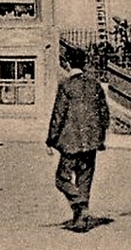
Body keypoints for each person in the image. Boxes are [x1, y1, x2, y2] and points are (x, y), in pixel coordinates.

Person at [46, 46, 110, 232]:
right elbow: (104, 114)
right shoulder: (94, 85)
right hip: (91, 143)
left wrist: (51, 139)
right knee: (84, 180)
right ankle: (81, 219)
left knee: (61, 179)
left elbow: (58, 115)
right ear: (85, 63)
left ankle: (79, 205)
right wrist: (99, 136)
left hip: (70, 143)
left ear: (67, 63)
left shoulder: (65, 86)